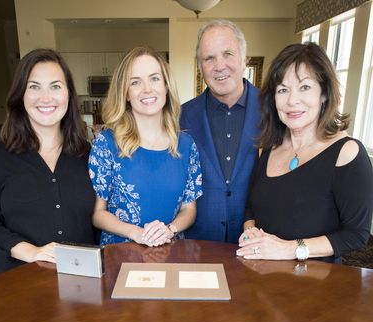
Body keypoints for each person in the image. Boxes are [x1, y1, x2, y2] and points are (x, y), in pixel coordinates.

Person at [236, 42, 373, 263]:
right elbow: (251, 208)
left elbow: (357, 234)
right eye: (283, 90)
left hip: (314, 287)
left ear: (324, 94)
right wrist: (250, 231)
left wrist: (290, 249)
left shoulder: (346, 152)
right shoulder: (267, 149)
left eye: (305, 87)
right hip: (261, 279)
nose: (292, 101)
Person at [0, 49, 97, 275]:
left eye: (56, 86)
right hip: (18, 279)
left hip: (81, 278)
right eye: (34, 86)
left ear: (69, 94)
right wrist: (31, 251)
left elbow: (98, 219)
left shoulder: (88, 154)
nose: (46, 97)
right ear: (21, 94)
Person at [89, 46, 202, 247]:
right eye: (135, 82)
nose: (147, 89)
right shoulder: (106, 144)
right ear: (125, 93)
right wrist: (138, 234)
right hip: (120, 255)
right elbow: (98, 214)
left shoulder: (186, 145)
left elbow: (189, 210)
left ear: (166, 86)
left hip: (171, 252)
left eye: (154, 78)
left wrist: (169, 230)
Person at [180, 20, 260, 243]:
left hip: (259, 243)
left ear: (244, 60)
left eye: (228, 54)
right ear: (200, 66)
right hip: (198, 245)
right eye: (209, 58)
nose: (219, 65)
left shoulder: (274, 109)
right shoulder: (181, 116)